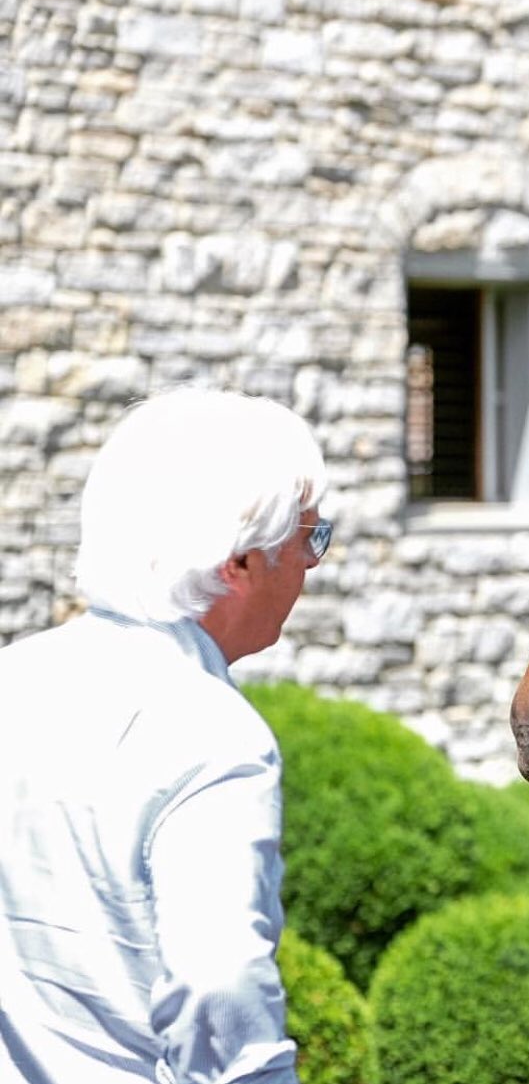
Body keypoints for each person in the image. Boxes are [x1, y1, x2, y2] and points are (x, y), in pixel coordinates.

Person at [0, 387, 332, 1083]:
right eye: (310, 537)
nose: (313, 564)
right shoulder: (209, 732)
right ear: (237, 563)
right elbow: (218, 986)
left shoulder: (16, 677)